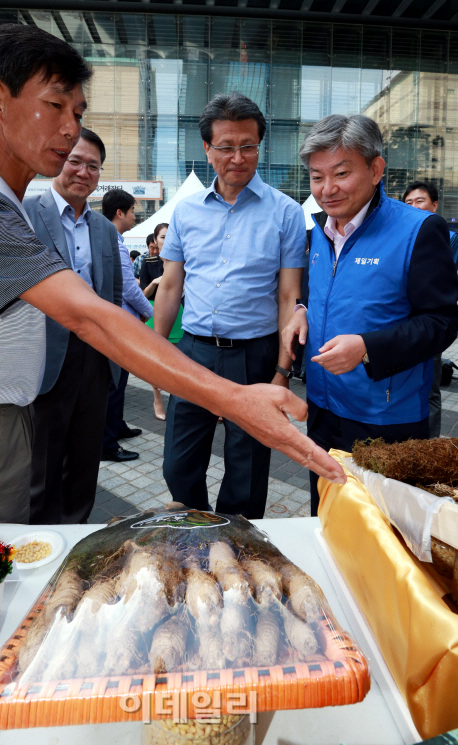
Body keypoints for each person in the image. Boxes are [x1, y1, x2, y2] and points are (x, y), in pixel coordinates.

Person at [0, 25, 344, 525]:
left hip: (8, 418)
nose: (70, 130)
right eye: (55, 106)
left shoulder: (3, 202)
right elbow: (90, 315)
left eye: (77, 114)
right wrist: (232, 399)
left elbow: (285, 291)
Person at [282, 114, 458, 516]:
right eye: (316, 177)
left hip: (385, 417)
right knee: (327, 514)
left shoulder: (419, 230)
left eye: (341, 173)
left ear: (376, 169)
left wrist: (367, 349)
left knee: (382, 528)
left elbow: (442, 321)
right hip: (323, 407)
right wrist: (302, 310)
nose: (327, 189)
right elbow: (323, 290)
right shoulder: (320, 232)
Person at [154, 92, 307, 519]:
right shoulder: (185, 213)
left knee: (248, 471)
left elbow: (287, 297)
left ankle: (234, 547)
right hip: (195, 354)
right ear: (207, 148)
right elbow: (169, 289)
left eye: (248, 146)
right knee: (178, 465)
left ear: (260, 146)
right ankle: (197, 530)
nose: (237, 157)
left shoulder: (286, 213)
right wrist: (155, 354)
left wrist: (281, 373)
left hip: (254, 357)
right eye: (225, 147)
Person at [23, 128, 121, 524]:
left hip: (95, 357)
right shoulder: (26, 213)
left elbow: (111, 296)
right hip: (45, 357)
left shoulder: (104, 229)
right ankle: (40, 540)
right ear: (58, 162)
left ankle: (76, 534)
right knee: (41, 464)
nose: (83, 171)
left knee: (85, 459)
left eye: (93, 166)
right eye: (74, 161)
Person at [100, 189, 153, 462]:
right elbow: (127, 289)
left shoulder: (104, 238)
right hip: (117, 325)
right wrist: (148, 311)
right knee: (115, 383)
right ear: (120, 212)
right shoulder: (115, 243)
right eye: (133, 211)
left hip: (111, 323)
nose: (135, 216)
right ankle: (108, 443)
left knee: (117, 382)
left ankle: (116, 427)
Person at [403, 181, 455, 439]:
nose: (413, 206)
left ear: (434, 205)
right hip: (403, 326)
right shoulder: (401, 233)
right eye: (409, 202)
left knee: (429, 388)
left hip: (428, 323)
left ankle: (429, 442)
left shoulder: (445, 234)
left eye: (419, 201)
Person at [141, 223, 184, 420]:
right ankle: (157, 399)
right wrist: (154, 282)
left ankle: (182, 399)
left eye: (169, 236)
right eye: (163, 237)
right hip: (154, 310)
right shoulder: (149, 262)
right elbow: (142, 294)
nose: (166, 240)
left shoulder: (182, 261)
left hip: (179, 313)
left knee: (182, 360)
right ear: (155, 240)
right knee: (156, 359)